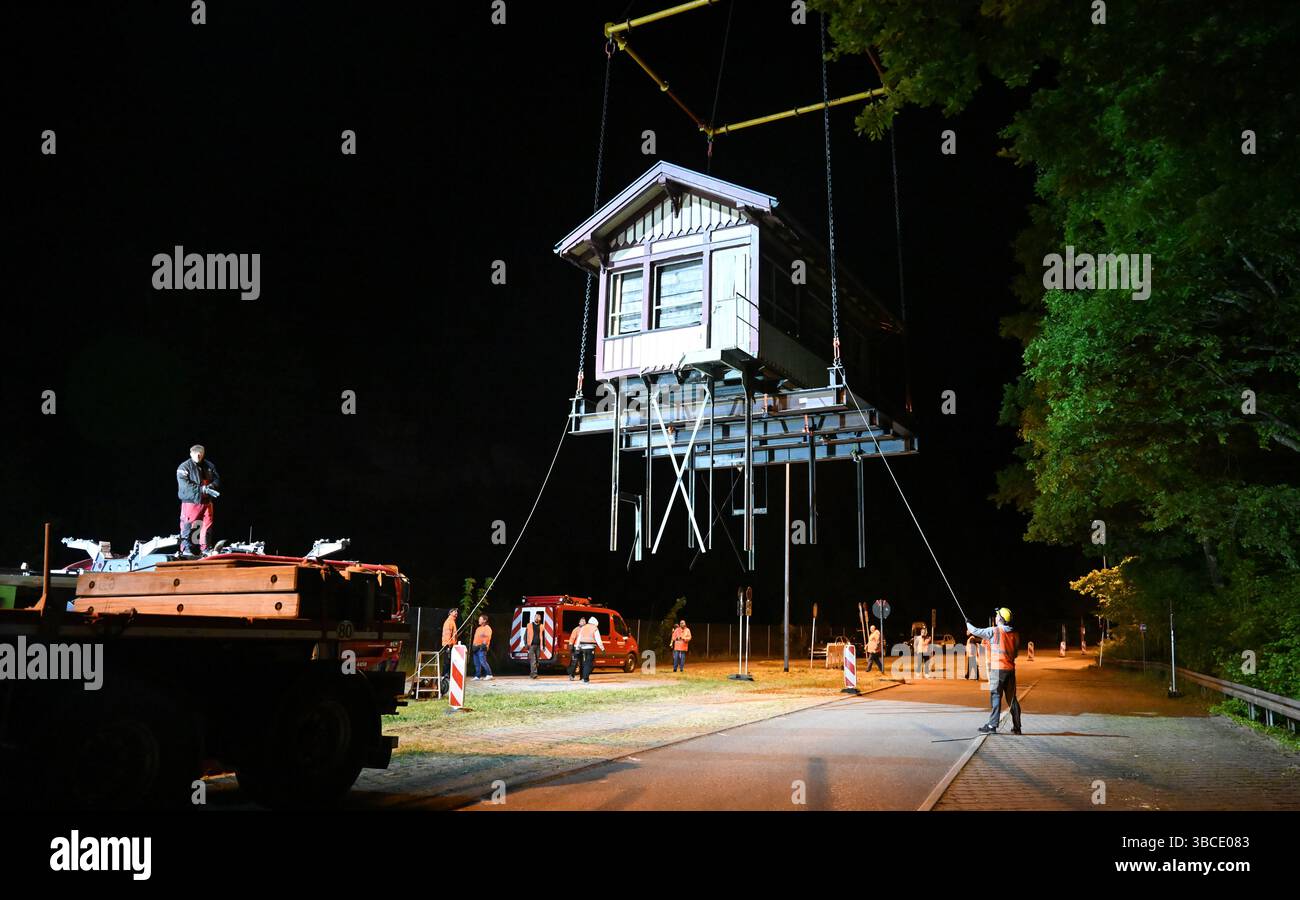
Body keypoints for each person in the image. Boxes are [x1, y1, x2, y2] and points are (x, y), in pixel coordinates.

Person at [966, 608, 1022, 735]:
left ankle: (992, 725)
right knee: (1012, 699)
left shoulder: (994, 631)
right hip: (1010, 670)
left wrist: (968, 623)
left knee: (996, 697)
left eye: (997, 615)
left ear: (1000, 619)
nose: (996, 617)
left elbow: (975, 631)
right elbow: (1016, 654)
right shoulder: (1015, 634)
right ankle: (1017, 727)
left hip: (997, 670)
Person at [175, 444, 220, 556]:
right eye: (196, 454)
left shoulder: (209, 466)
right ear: (191, 454)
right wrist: (201, 489)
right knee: (189, 525)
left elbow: (217, 479)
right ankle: (186, 549)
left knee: (206, 525)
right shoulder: (184, 467)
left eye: (200, 453)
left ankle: (205, 549)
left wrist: (211, 487)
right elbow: (185, 485)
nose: (198, 456)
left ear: (203, 454)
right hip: (191, 502)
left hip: (206, 502)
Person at [575, 615, 604, 683]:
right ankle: (585, 679)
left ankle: (583, 678)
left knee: (585, 663)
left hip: (582, 647)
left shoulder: (583, 627)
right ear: (595, 623)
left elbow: (579, 637)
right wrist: (602, 648)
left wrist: (577, 647)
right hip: (590, 648)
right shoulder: (595, 628)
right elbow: (598, 639)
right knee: (590, 664)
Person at [440, 608, 459, 694]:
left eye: (456, 612)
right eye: (454, 611)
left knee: (449, 660)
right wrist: (449, 645)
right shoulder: (449, 622)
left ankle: (447, 674)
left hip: (450, 644)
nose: (456, 613)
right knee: (447, 661)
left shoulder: (452, 621)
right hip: (448, 644)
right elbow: (448, 634)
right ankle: (444, 675)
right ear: (450, 613)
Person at [472, 614, 493, 681]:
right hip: (476, 648)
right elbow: (476, 638)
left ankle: (489, 674)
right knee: (476, 663)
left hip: (481, 648)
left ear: (484, 620)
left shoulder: (487, 628)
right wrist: (474, 645)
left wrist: (483, 645)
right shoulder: (478, 628)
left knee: (482, 662)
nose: (479, 620)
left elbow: (487, 637)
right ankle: (477, 676)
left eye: (480, 619)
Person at [567, 616, 587, 681]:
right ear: (579, 622)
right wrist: (571, 647)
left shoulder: (587, 630)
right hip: (577, 648)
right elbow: (572, 638)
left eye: (584, 621)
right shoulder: (576, 629)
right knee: (574, 662)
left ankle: (582, 677)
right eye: (582, 621)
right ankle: (571, 675)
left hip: (584, 648)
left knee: (583, 663)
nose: (583, 622)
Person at [526, 611, 544, 679]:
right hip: (531, 645)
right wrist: (526, 644)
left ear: (540, 619)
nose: (537, 618)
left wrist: (544, 646)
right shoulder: (529, 625)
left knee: (537, 661)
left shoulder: (542, 626)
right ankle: (534, 674)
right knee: (533, 660)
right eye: (536, 617)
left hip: (538, 646)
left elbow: (543, 636)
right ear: (534, 618)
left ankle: (532, 673)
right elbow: (525, 635)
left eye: (538, 617)